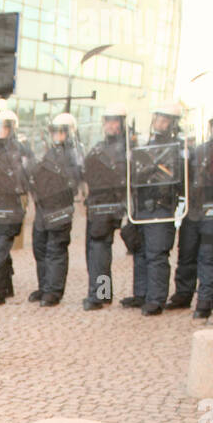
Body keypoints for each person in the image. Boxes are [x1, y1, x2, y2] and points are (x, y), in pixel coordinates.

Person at [174, 107, 213, 320]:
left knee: (209, 256)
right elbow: (188, 177)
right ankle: (182, 295)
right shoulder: (199, 149)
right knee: (186, 253)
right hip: (195, 210)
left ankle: (205, 302)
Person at [122, 103, 183, 316]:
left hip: (161, 207)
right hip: (142, 207)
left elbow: (174, 178)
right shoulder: (147, 146)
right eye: (158, 119)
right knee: (140, 251)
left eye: (165, 120)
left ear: (173, 124)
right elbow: (136, 175)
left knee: (156, 254)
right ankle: (141, 294)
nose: (159, 123)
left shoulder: (177, 149)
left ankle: (156, 300)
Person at [29, 112, 83, 306]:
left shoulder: (74, 153)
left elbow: (74, 180)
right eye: (55, 132)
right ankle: (44, 286)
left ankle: (53, 291)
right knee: (40, 248)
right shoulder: (49, 152)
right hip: (43, 207)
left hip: (60, 207)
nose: (57, 136)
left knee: (55, 250)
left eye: (61, 133)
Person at [0, 108, 30, 303]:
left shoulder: (20, 149)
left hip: (10, 206)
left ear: (12, 129)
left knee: (1, 247)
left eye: (4, 127)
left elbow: (27, 176)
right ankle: (6, 286)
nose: (0, 131)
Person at [82, 104, 128, 310]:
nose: (110, 125)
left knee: (99, 250)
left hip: (110, 204)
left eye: (114, 121)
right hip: (98, 204)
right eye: (107, 121)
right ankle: (105, 293)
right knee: (97, 250)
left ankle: (98, 296)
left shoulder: (126, 149)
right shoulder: (101, 146)